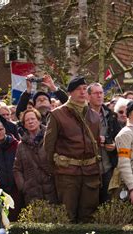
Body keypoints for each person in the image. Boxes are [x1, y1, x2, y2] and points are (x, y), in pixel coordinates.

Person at [44, 76, 101, 223]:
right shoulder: (57, 114)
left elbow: (97, 146)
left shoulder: (94, 116)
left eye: (84, 89)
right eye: (78, 89)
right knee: (67, 215)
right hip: (67, 173)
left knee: (89, 216)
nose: (82, 92)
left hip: (90, 172)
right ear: (70, 93)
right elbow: (48, 147)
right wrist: (56, 169)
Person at [13, 109, 57, 208]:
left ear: (39, 121)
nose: (30, 121)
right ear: (24, 125)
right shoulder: (21, 145)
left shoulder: (51, 137)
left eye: (33, 118)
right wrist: (23, 187)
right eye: (27, 120)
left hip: (52, 189)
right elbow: (17, 169)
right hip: (32, 193)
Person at [87, 82, 121, 204]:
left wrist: (114, 146)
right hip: (88, 168)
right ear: (88, 96)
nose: (99, 96)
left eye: (101, 93)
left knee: (108, 203)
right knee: (89, 205)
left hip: (107, 167)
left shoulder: (111, 115)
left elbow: (120, 139)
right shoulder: (81, 115)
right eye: (96, 93)